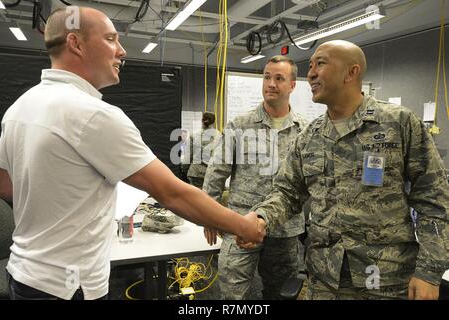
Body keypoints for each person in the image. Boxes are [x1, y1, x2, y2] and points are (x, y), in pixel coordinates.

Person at [0, 7, 265, 300]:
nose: (122, 51)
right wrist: (243, 226)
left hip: (24, 275)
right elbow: (173, 194)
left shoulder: (20, 107)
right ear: (76, 43)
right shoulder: (92, 114)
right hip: (67, 286)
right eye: (111, 39)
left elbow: (6, 185)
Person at [245, 40, 449, 300]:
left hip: (385, 280)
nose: (311, 74)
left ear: (351, 73)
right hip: (324, 279)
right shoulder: (309, 136)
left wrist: (430, 272)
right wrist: (262, 218)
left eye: (320, 64)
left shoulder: (398, 123)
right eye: (310, 66)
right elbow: (287, 192)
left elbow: (434, 200)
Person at [203, 55, 309, 299]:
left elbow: (309, 180)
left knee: (280, 293)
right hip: (240, 225)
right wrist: (208, 215)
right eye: (267, 77)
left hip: (285, 231)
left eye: (279, 78)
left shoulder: (304, 130)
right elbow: (216, 172)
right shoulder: (240, 125)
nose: (271, 83)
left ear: (292, 85)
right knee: (232, 294)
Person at [187, 112, 217, 188]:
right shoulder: (220, 137)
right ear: (214, 122)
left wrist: (186, 170)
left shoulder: (193, 135)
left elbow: (187, 158)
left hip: (195, 173)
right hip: (212, 174)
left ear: (202, 120)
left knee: (194, 198)